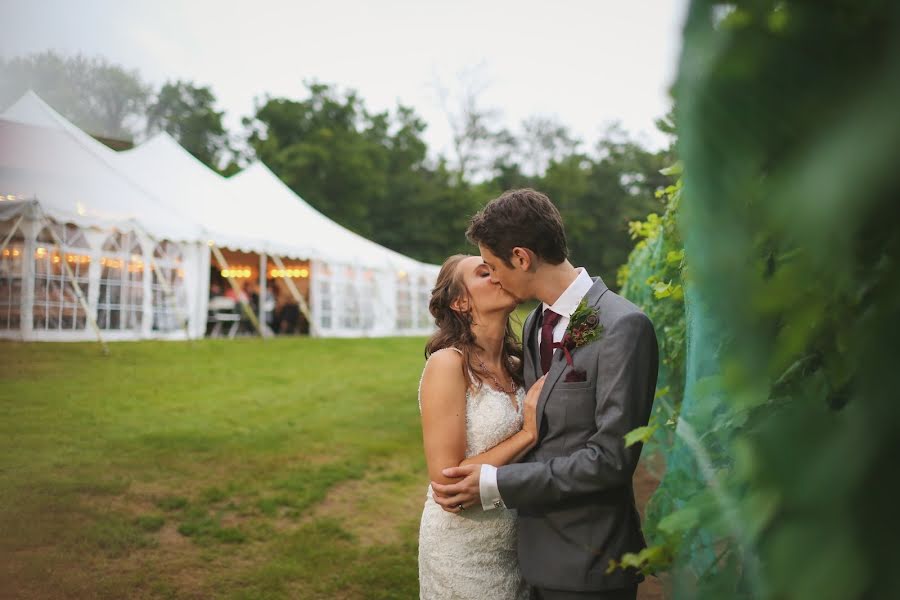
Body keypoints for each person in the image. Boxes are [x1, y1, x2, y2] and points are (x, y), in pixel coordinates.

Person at [431, 189, 659, 600]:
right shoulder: (536, 322)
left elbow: (611, 461)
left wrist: (497, 483)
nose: (495, 277)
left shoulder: (623, 325)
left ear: (522, 258)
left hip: (589, 561)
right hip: (524, 556)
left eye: (495, 266)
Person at [418, 254, 547, 600]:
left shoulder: (521, 365)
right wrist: (527, 434)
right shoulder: (449, 364)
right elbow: (447, 482)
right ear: (460, 301)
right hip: (462, 550)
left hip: (518, 543)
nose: (498, 274)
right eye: (483, 272)